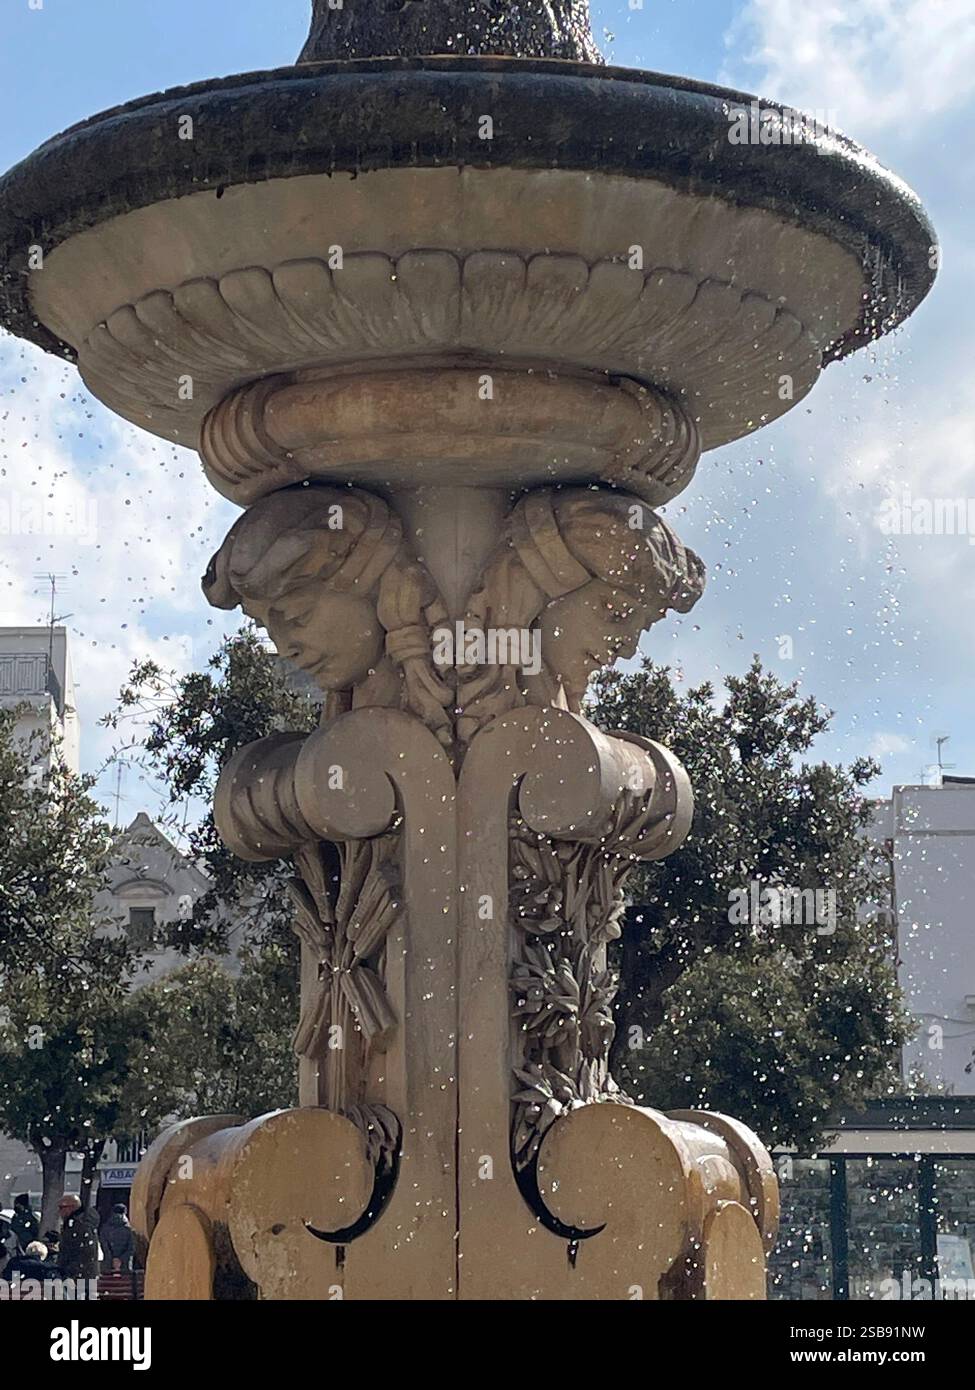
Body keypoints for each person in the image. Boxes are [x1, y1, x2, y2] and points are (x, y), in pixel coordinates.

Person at [56, 1195, 99, 1280]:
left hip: (79, 1274)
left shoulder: (79, 1224)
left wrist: (70, 1269)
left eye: (62, 1207)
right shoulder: (74, 1223)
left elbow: (83, 1250)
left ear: (72, 1207)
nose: (59, 1211)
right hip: (83, 1273)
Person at [100, 1203, 135, 1273]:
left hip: (108, 1264)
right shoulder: (129, 1229)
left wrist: (112, 1259)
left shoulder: (105, 1228)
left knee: (108, 1282)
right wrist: (122, 1259)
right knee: (125, 1283)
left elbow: (104, 1246)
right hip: (125, 1265)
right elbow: (131, 1247)